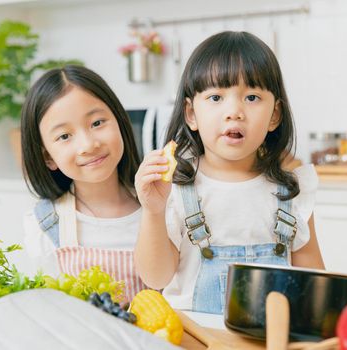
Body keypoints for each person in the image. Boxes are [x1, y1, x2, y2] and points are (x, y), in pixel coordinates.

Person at [134, 31, 325, 314]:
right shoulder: (174, 187)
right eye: (215, 97)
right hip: (196, 341)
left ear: (274, 115)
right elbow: (155, 277)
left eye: (251, 97)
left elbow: (315, 287)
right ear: (191, 114)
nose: (234, 111)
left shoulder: (292, 190)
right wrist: (152, 211)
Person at [21, 65, 147, 302]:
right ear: (48, 157)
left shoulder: (162, 206)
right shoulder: (45, 226)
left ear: (119, 120)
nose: (88, 145)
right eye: (65, 136)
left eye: (97, 123)